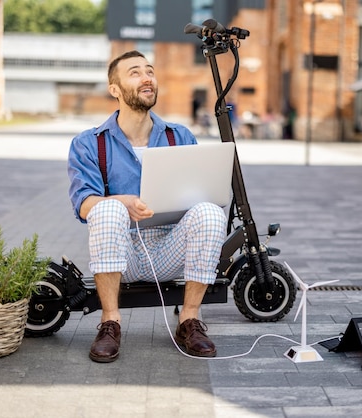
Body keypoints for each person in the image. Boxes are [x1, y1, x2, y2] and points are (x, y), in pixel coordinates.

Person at [67, 50, 226, 363]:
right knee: (108, 208)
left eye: (150, 71)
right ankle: (110, 322)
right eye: (135, 72)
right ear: (115, 89)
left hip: (168, 249)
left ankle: (189, 320)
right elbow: (84, 205)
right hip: (121, 251)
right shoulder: (89, 142)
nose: (147, 78)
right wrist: (120, 202)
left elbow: (196, 195)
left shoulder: (179, 136)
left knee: (210, 211)